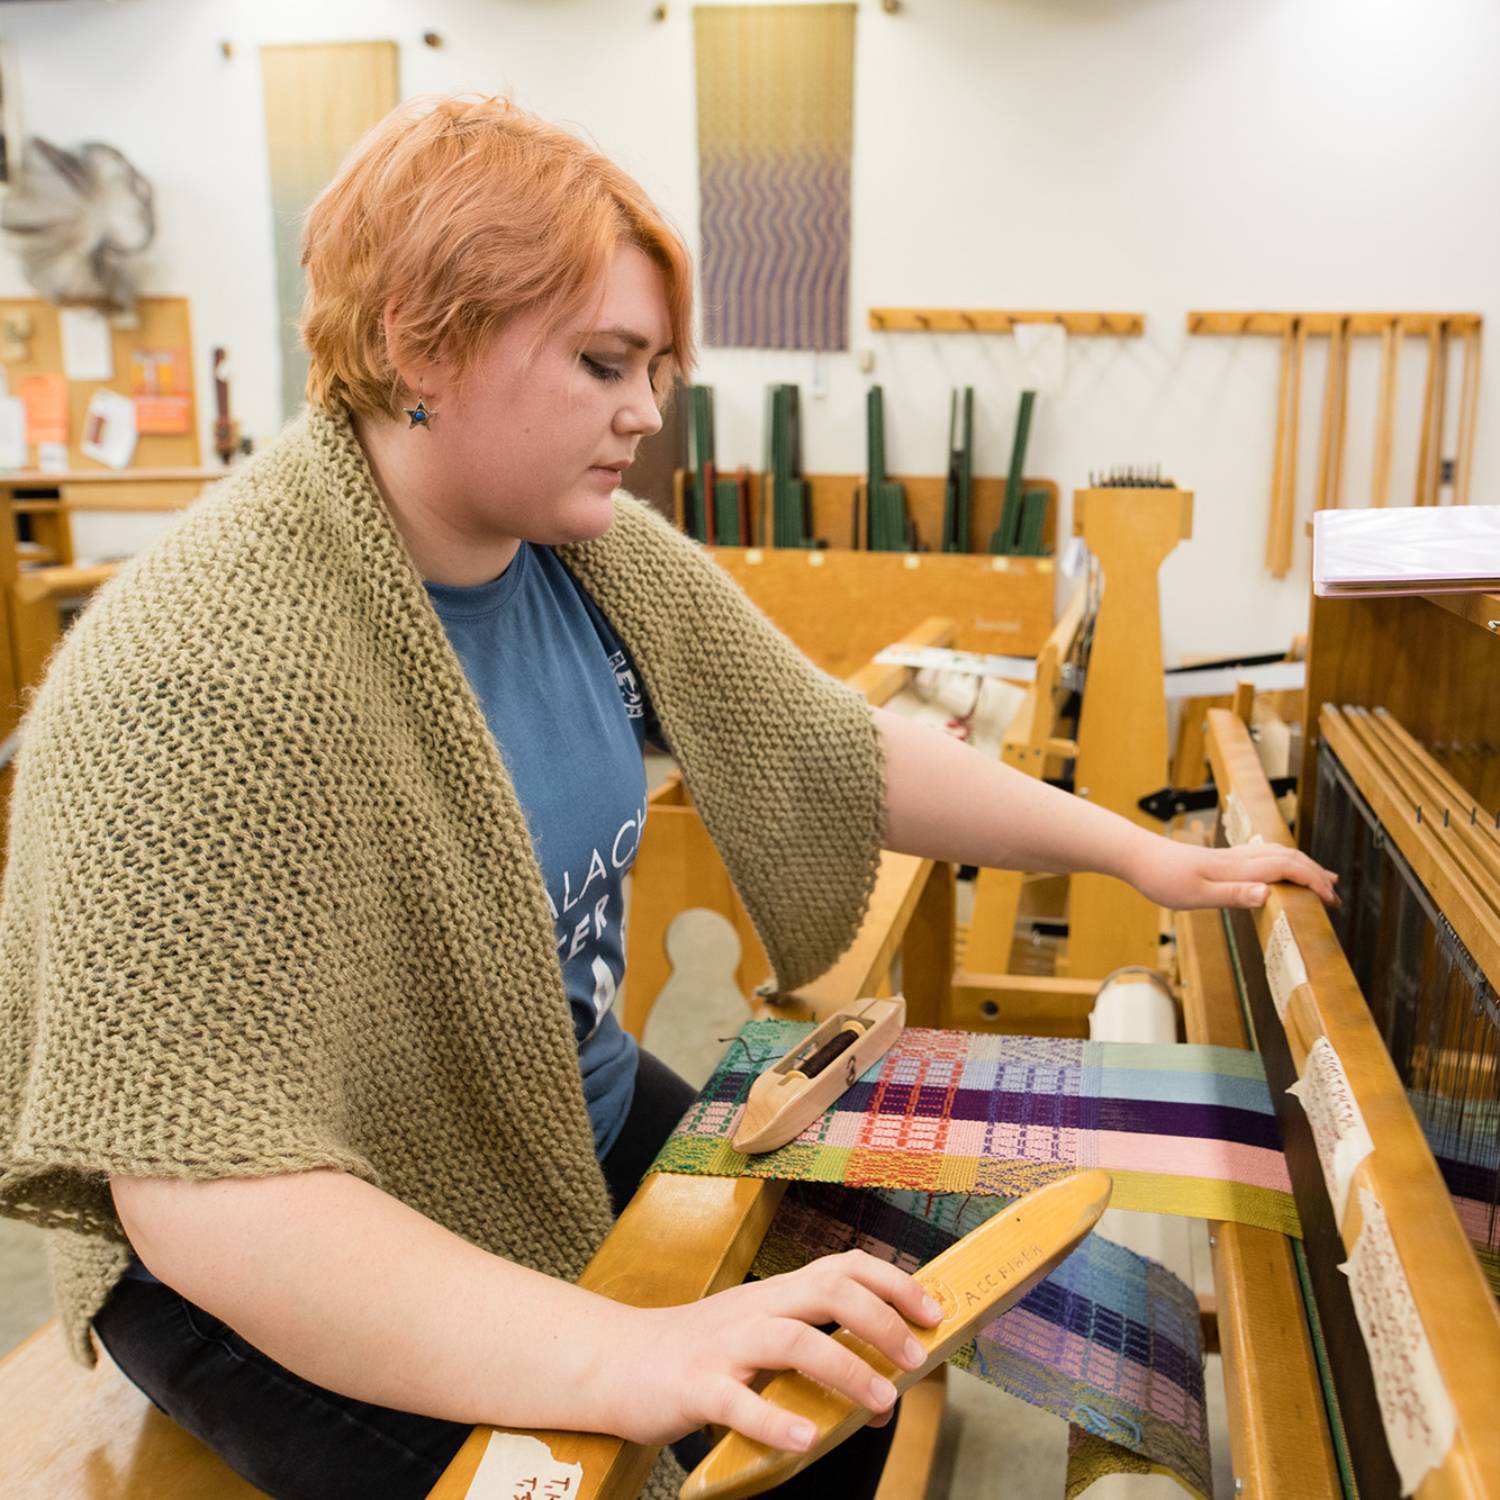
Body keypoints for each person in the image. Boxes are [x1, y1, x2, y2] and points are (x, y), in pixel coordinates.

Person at [0, 95, 1337, 1500]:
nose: (647, 412)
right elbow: (209, 1195)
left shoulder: (594, 560)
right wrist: (619, 1358)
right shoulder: (205, 663)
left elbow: (839, 752)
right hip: (270, 1273)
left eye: (656, 367)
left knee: (848, 1397)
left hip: (551, 1111)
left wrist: (1143, 857)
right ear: (415, 341)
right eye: (603, 363)